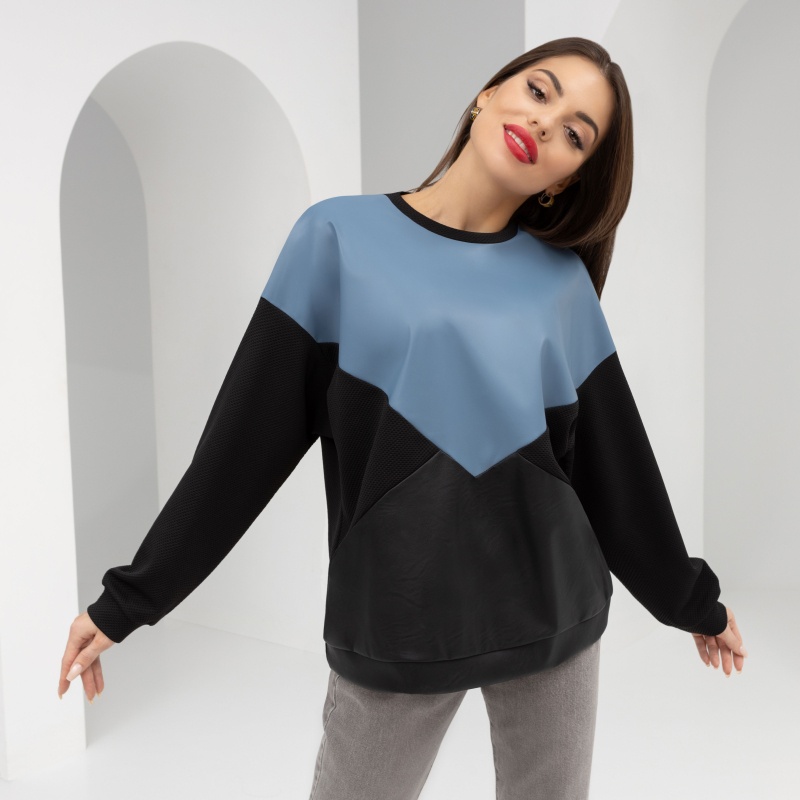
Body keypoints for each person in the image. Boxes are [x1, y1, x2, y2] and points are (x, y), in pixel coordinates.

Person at [58, 36, 747, 800]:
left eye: (575, 134)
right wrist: (130, 601)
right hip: (397, 619)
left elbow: (617, 473)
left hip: (555, 613)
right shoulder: (335, 239)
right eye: (539, 91)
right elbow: (240, 452)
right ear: (489, 93)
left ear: (567, 180)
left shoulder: (560, 288)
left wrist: (693, 602)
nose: (544, 123)